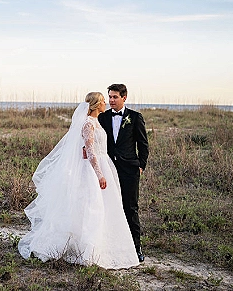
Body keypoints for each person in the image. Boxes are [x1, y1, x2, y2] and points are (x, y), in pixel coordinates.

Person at [18, 92, 140, 269]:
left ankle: (102, 247)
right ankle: (86, 249)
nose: (106, 103)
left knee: (106, 207)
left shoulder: (97, 122)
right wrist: (99, 175)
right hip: (92, 170)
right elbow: (90, 152)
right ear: (97, 104)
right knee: (91, 207)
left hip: (103, 164)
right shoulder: (88, 124)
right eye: (104, 101)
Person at [98, 84, 149, 262]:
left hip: (129, 170)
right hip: (108, 169)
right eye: (109, 97)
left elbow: (143, 144)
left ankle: (136, 248)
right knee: (109, 207)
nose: (111, 100)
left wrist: (141, 165)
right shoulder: (102, 117)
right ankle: (109, 247)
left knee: (130, 208)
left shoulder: (135, 117)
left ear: (124, 98)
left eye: (115, 97)